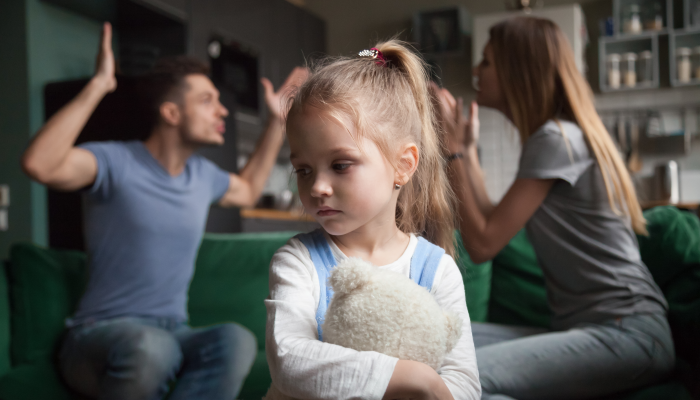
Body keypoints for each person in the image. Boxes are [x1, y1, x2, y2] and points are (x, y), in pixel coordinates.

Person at [21, 22, 307, 400]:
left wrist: (276, 121)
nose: (222, 110)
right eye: (207, 100)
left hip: (174, 330)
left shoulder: (202, 175)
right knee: (152, 348)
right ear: (171, 113)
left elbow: (249, 189)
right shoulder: (116, 162)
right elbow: (40, 164)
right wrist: (99, 86)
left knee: (235, 340)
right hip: (97, 334)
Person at [433, 16, 674, 400]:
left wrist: (452, 150)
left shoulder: (556, 138)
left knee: (457, 380)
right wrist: (468, 149)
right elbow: (493, 216)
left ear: (518, 72)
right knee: (431, 340)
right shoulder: (555, 137)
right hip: (589, 330)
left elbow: (481, 244)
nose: (477, 70)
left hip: (628, 334)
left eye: (487, 62)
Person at [264, 40, 481, 400]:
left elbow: (463, 384)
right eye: (303, 169)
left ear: (403, 165)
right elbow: (289, 359)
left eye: (340, 165)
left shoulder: (437, 270)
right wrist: (416, 379)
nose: (317, 186)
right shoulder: (298, 261)